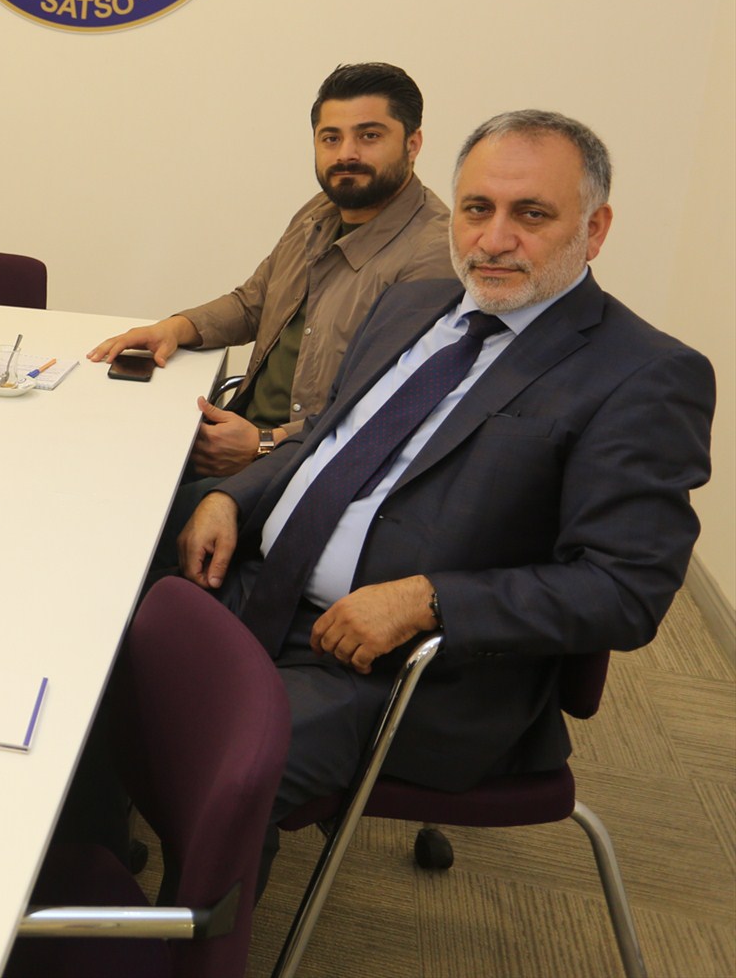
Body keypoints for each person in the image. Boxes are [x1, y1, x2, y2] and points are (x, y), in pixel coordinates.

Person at [169, 109, 713, 862]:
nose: (493, 240)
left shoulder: (643, 375)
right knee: (82, 656)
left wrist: (427, 600)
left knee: (212, 758)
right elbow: (326, 440)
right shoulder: (414, 305)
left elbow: (626, 589)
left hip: (404, 671)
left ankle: (184, 922)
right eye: (476, 209)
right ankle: (85, 872)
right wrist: (235, 495)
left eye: (531, 215)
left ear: (594, 230)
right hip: (261, 584)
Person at [90, 63, 451, 478]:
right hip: (238, 435)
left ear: (412, 143)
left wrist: (264, 444)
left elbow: (393, 406)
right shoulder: (321, 211)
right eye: (331, 138)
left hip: (305, 468)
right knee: (103, 453)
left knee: (132, 500)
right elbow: (254, 303)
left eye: (369, 136)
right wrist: (174, 328)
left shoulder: (433, 254)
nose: (346, 154)